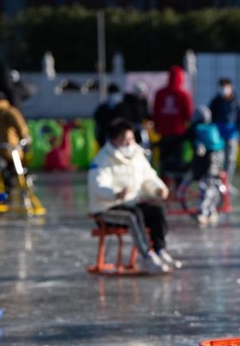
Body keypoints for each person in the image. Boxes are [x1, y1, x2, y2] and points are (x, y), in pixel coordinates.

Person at [87, 119, 181, 274]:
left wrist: (158, 189)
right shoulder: (103, 159)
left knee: (156, 211)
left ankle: (160, 250)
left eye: (131, 138)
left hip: (131, 203)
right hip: (106, 209)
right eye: (125, 139)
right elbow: (97, 185)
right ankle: (146, 256)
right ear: (114, 140)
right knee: (133, 215)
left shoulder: (137, 154)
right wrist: (115, 194)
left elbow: (148, 177)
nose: (129, 143)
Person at [153, 65, 193, 187]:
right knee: (178, 161)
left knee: (164, 161)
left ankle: (163, 185)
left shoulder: (160, 93)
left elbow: (155, 112)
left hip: (163, 133)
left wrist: (158, 126)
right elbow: (188, 114)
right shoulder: (183, 94)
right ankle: (178, 186)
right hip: (178, 133)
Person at [185, 106, 225, 226]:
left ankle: (202, 212)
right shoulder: (212, 127)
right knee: (212, 186)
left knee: (205, 187)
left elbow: (186, 139)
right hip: (217, 160)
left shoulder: (196, 129)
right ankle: (211, 211)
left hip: (205, 162)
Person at [208, 78, 240, 193]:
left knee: (230, 160)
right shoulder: (215, 101)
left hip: (231, 134)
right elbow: (210, 117)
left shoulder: (235, 101)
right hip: (217, 135)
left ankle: (227, 183)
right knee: (218, 159)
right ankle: (216, 183)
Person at [93, 83, 129, 148]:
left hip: (120, 133)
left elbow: (127, 120)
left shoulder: (123, 107)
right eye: (111, 93)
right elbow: (97, 119)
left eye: (114, 93)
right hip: (105, 135)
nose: (112, 96)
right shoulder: (103, 107)